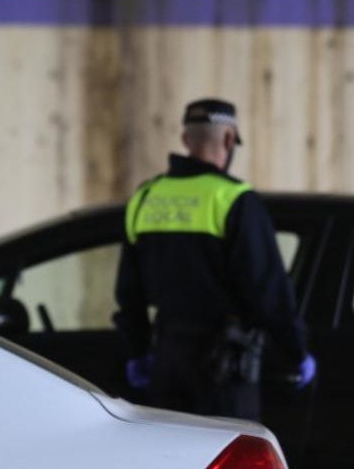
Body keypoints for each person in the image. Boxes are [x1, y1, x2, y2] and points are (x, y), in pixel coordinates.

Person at [114, 98, 316, 420]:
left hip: (166, 358)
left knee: (174, 459)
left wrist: (137, 352)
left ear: (185, 141)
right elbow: (267, 291)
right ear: (228, 139)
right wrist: (297, 351)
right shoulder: (234, 199)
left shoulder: (146, 198)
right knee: (227, 458)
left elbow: (129, 293)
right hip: (224, 365)